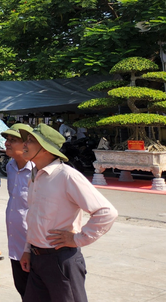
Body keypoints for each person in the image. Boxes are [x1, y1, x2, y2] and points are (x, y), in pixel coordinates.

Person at [19, 125, 118, 302]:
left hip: (61, 260)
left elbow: (107, 212)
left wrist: (78, 239)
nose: (24, 144)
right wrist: (28, 249)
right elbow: (33, 217)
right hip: (37, 259)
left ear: (45, 148)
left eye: (30, 140)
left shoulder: (67, 175)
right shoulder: (35, 175)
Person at [1, 123, 34, 298]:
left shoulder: (38, 171)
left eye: (13, 140)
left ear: (27, 144)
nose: (7, 143)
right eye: (7, 139)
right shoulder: (10, 167)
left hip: (35, 247)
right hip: (15, 243)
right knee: (22, 289)